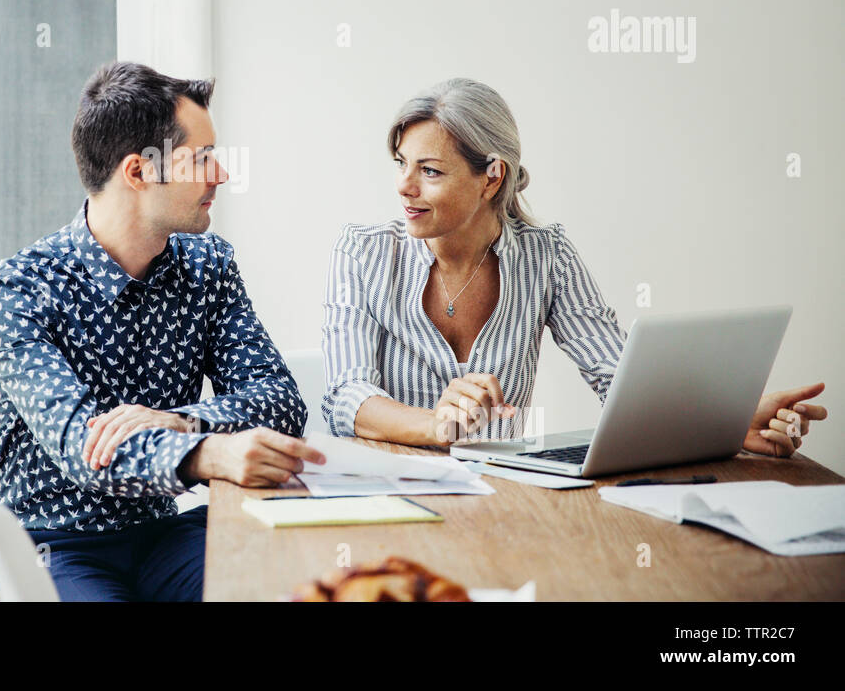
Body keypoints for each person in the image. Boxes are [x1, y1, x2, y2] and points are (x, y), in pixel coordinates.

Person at [0, 61, 323, 603]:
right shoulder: (18, 288)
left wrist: (183, 422)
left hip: (161, 537)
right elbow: (81, 445)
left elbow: (279, 402)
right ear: (137, 172)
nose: (220, 174)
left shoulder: (209, 267)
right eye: (201, 159)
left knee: (285, 588)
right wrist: (205, 455)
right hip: (43, 543)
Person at [321, 77, 828, 455]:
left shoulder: (547, 256)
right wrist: (435, 423)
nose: (404, 186)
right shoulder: (363, 252)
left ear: (491, 177)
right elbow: (346, 398)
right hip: (392, 495)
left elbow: (620, 380)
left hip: (505, 500)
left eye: (429, 171)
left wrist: (729, 422)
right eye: (401, 164)